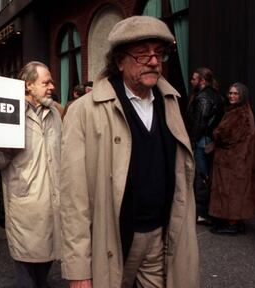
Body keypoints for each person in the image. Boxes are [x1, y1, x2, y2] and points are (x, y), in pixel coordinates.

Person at [60, 16, 199, 288]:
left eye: (159, 53)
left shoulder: (170, 103)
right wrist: (79, 270)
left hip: (160, 236)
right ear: (119, 61)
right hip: (113, 240)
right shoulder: (84, 111)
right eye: (142, 54)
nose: (154, 61)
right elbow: (72, 199)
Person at [0, 61, 62, 287]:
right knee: (26, 268)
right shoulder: (11, 114)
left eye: (51, 81)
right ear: (29, 85)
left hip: (54, 202)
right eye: (46, 82)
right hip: (26, 206)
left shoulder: (55, 112)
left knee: (47, 261)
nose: (52, 86)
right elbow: (3, 158)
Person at [208, 83, 255, 235]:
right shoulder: (243, 110)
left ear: (242, 95)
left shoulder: (238, 113)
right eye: (230, 93)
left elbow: (225, 135)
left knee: (232, 192)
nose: (231, 96)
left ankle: (232, 224)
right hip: (239, 159)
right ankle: (236, 223)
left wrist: (215, 133)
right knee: (237, 192)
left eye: (235, 94)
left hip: (233, 161)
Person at [186, 67, 224, 224]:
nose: (191, 81)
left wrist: (192, 141)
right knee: (205, 176)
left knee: (201, 177)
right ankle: (206, 212)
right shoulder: (213, 94)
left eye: (194, 79)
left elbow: (200, 123)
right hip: (207, 140)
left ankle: (203, 213)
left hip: (202, 141)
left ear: (202, 81)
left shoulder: (204, 98)